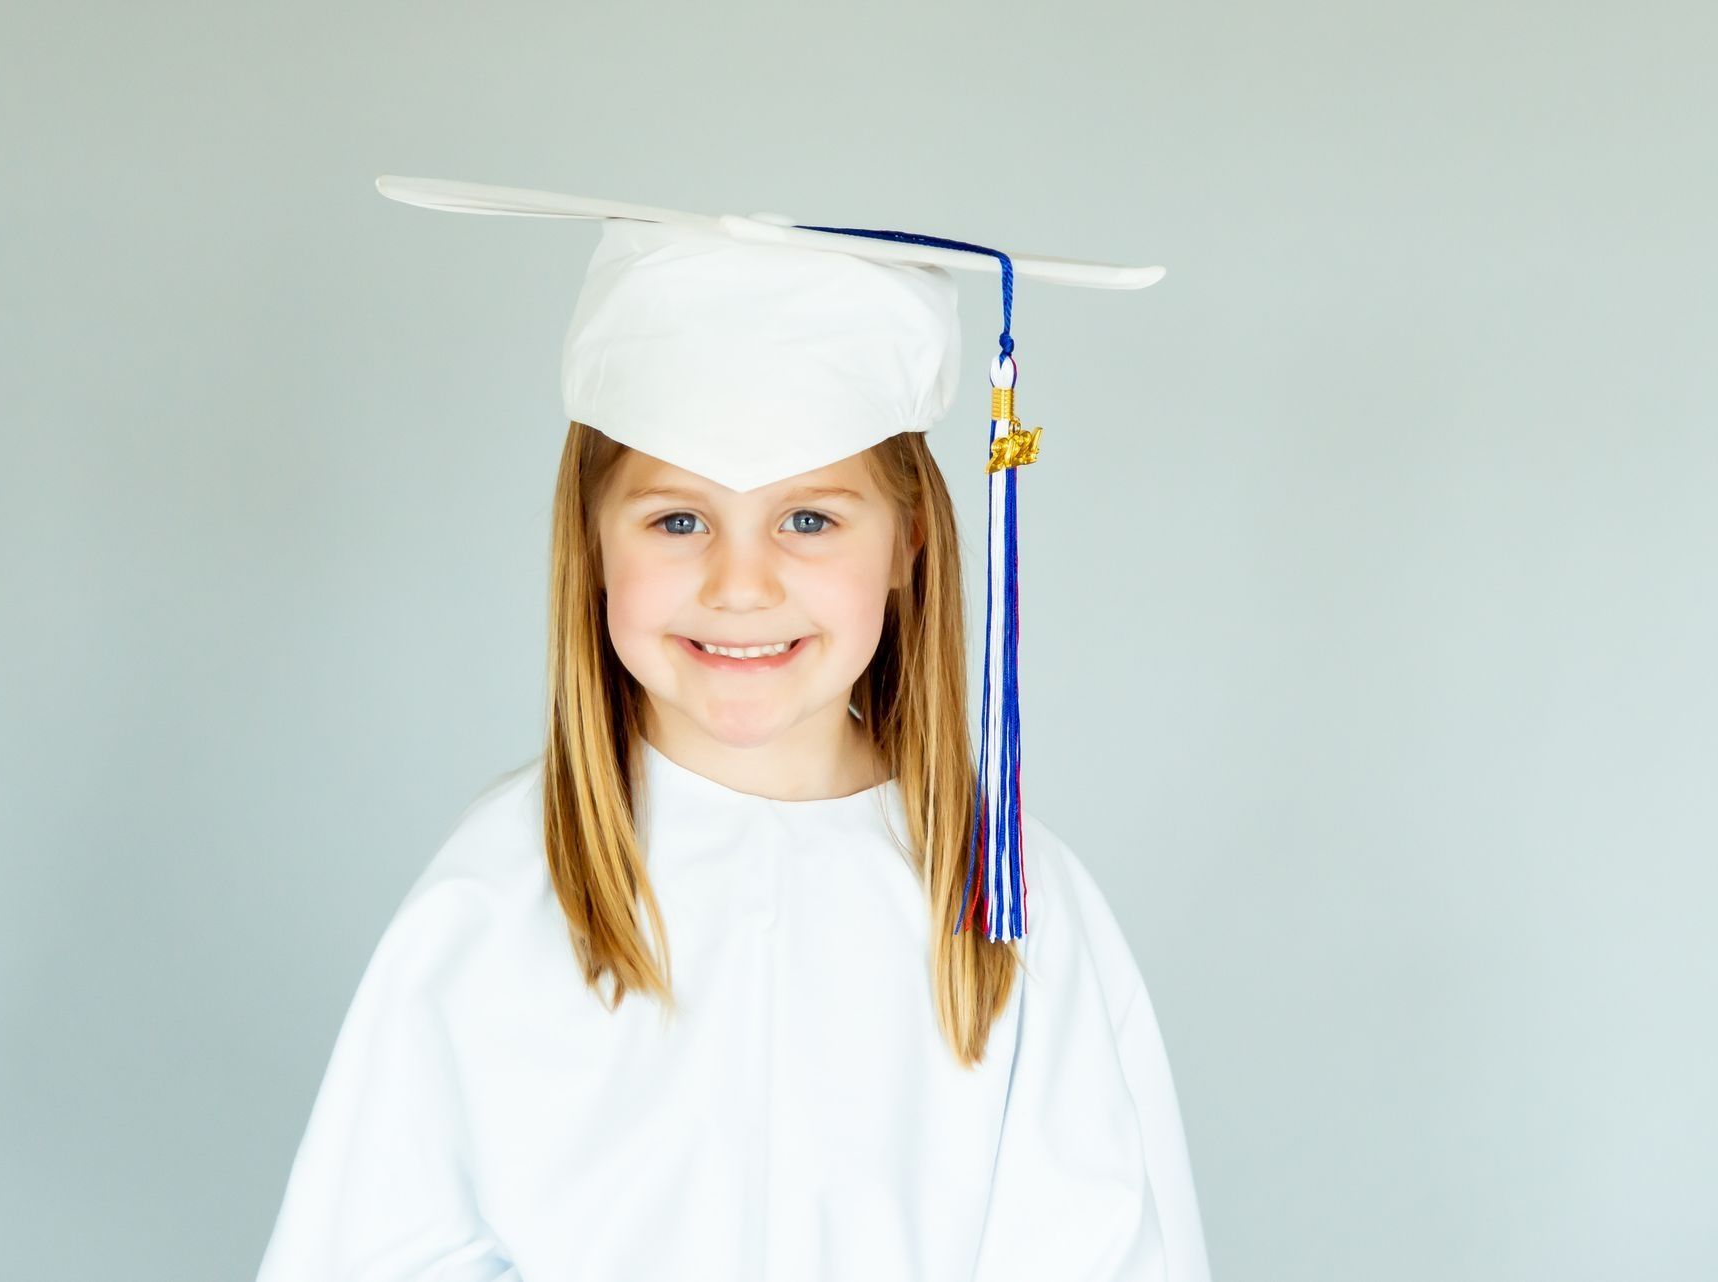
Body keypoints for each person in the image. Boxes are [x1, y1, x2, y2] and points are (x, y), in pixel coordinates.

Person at [254, 179, 1210, 1281]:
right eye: (677, 518)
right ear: (592, 541)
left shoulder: (1006, 903)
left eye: (809, 518)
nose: (740, 585)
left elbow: (1101, 1248)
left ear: (908, 543)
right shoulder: (500, 896)